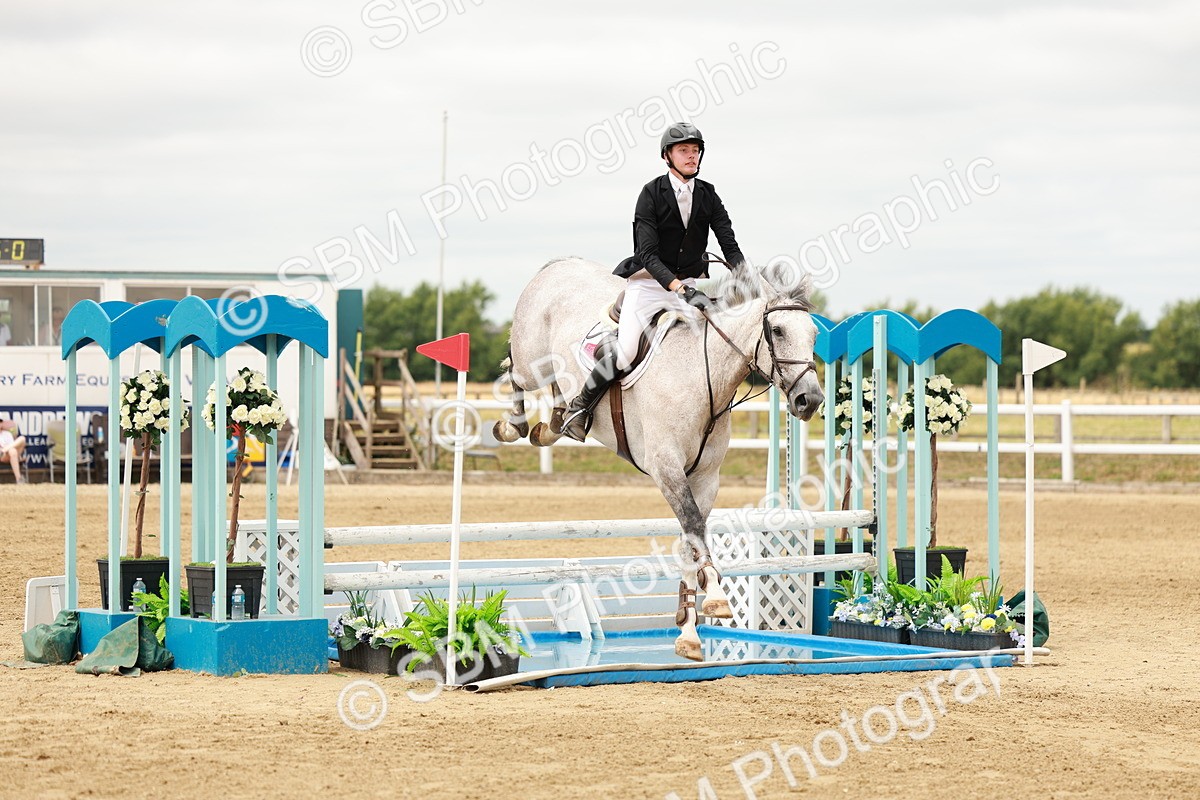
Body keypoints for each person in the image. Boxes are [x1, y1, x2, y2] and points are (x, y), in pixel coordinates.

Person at [558, 122, 745, 442]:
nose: (692, 156)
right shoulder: (651, 195)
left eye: (696, 150)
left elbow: (728, 242)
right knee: (628, 350)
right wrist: (680, 289)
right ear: (667, 156)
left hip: (688, 288)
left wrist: (747, 280)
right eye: (684, 150)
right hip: (649, 287)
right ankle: (580, 408)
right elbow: (647, 253)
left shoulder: (708, 194)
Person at [0, 419, 27, 484]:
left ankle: (18, 480)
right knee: (12, 451)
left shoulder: (7, 433)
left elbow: (13, 445)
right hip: (2, 456)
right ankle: (19, 478)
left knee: (22, 439)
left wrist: (5, 449)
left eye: (0, 422)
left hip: (10, 453)